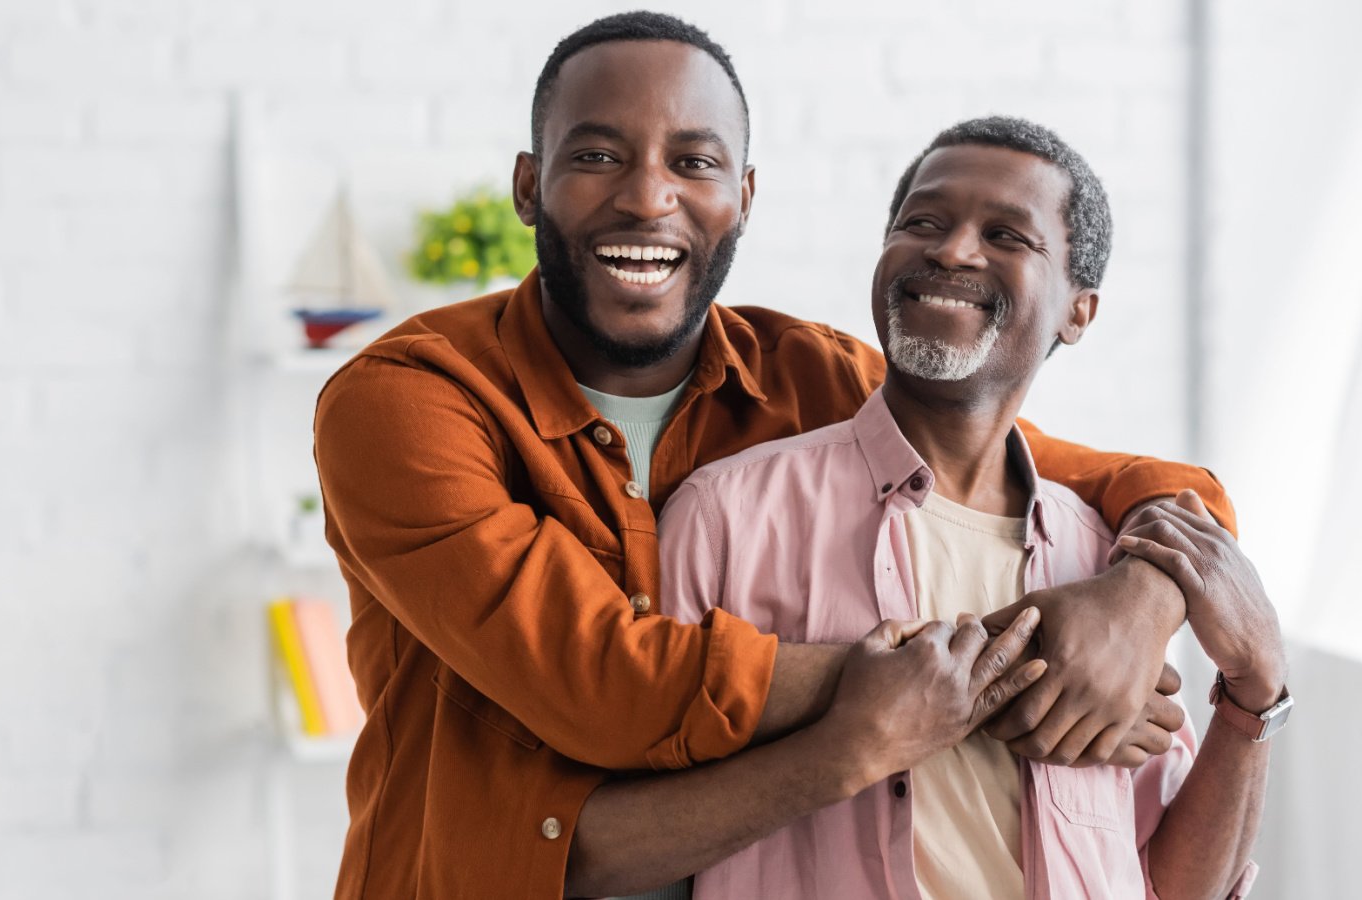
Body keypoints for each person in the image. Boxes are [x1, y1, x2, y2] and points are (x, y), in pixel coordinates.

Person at [314, 13, 1235, 899]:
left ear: (744, 197)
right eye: (596, 156)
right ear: (528, 186)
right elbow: (603, 685)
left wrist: (1138, 603)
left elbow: (1132, 482)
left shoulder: (810, 378)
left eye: (695, 163)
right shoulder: (406, 402)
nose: (646, 195)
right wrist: (1013, 668)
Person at [635, 117, 1285, 899]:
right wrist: (848, 740)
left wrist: (1257, 692)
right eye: (922, 223)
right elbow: (629, 833)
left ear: (1079, 312)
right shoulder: (727, 516)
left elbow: (1178, 886)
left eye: (1008, 235)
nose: (952, 250)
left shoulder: (1109, 564)